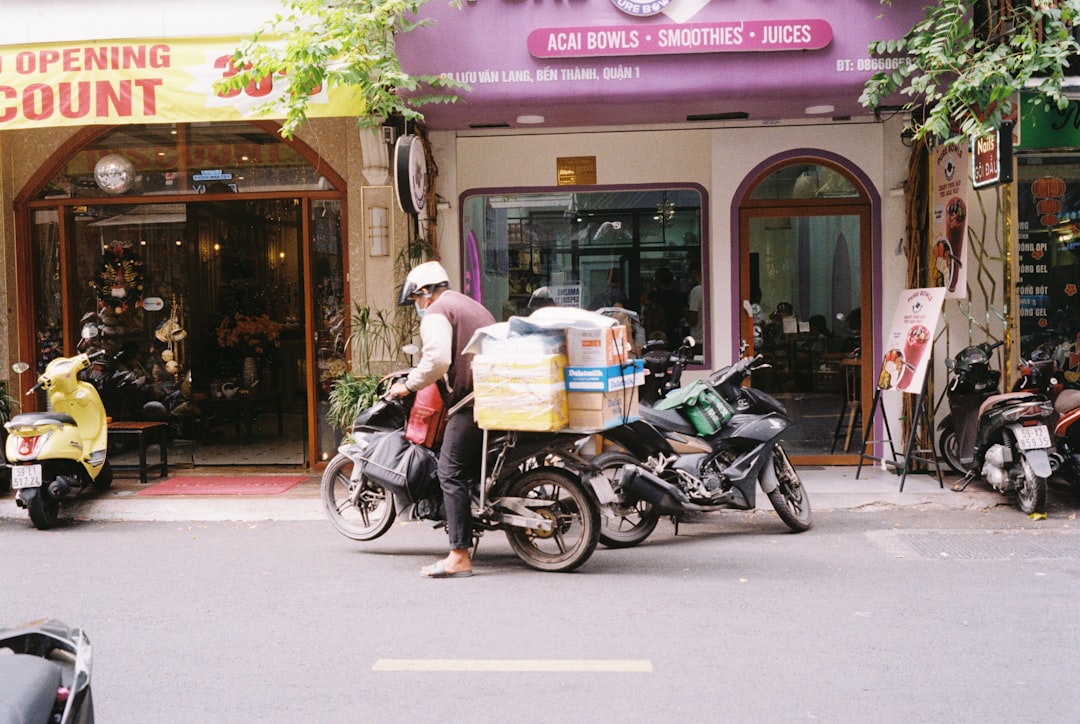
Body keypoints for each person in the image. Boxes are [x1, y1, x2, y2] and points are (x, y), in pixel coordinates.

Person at [388, 260, 495, 579]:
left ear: (424, 293)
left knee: (450, 472)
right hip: (492, 396)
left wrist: (407, 385)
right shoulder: (468, 304)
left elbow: (437, 360)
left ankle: (459, 554)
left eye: (416, 301)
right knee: (470, 469)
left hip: (470, 400)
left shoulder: (437, 311)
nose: (418, 307)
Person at [684, 260, 704, 347]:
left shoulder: (697, 291)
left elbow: (692, 320)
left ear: (695, 272)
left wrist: (684, 311)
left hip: (698, 340)